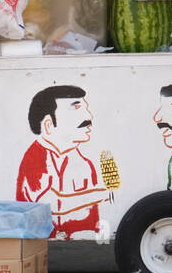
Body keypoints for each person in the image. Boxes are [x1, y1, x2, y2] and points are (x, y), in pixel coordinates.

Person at [16, 85, 112, 239]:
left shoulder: (83, 162)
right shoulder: (35, 157)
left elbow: (92, 220)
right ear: (48, 125)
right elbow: (52, 204)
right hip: (38, 244)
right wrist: (104, 194)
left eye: (86, 108)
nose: (89, 116)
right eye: (76, 108)